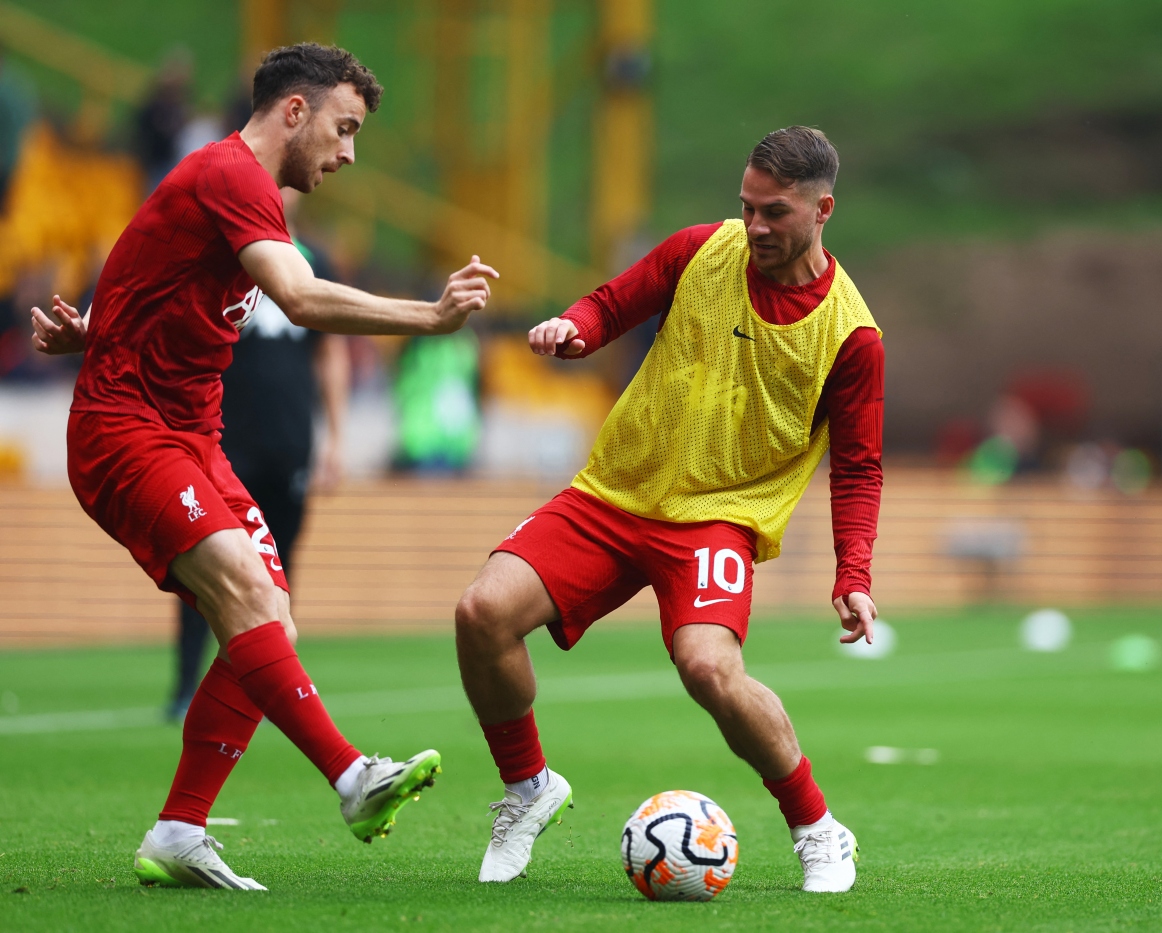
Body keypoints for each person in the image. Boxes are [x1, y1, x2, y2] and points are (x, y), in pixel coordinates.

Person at [30, 43, 498, 891]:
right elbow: (301, 297)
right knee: (248, 593)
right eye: (344, 128)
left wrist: (89, 329)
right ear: (294, 111)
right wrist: (429, 317)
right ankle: (354, 776)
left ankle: (179, 829)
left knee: (269, 618)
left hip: (193, 438)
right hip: (126, 432)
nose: (350, 153)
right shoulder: (231, 175)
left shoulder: (237, 193)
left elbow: (152, 272)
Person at [454, 126, 883, 892]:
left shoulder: (852, 335)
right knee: (482, 611)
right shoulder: (699, 250)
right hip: (613, 492)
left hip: (717, 516)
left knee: (710, 670)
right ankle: (527, 790)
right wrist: (572, 330)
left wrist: (854, 571)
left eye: (774, 213)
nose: (754, 226)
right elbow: (613, 304)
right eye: (747, 206)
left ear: (824, 209)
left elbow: (858, 466)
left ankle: (818, 827)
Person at [168, 187, 349, 722]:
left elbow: (331, 350)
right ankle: (184, 687)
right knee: (207, 572)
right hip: (223, 439)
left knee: (278, 573)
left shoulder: (315, 259)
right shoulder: (221, 252)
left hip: (291, 440)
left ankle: (260, 695)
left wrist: (335, 438)